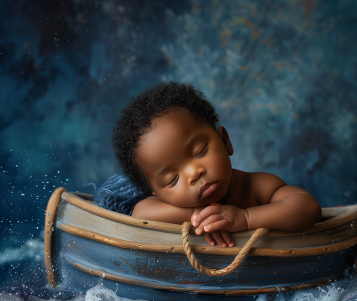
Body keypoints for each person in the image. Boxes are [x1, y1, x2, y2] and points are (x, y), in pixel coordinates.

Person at [112, 82, 321, 248]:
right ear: (156, 193)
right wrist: (200, 216)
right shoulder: (165, 205)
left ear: (225, 141)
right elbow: (140, 213)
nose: (194, 173)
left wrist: (245, 218)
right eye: (172, 179)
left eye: (200, 151)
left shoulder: (256, 186)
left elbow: (307, 207)